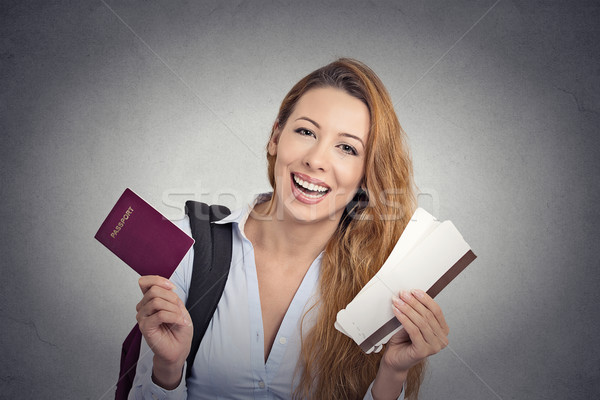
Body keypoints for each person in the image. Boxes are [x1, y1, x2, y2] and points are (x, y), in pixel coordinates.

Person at [129, 58, 449, 400]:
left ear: (366, 174)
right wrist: (168, 368)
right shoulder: (189, 247)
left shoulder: (380, 282)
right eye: (306, 131)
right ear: (276, 137)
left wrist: (393, 373)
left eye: (346, 148)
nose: (316, 159)